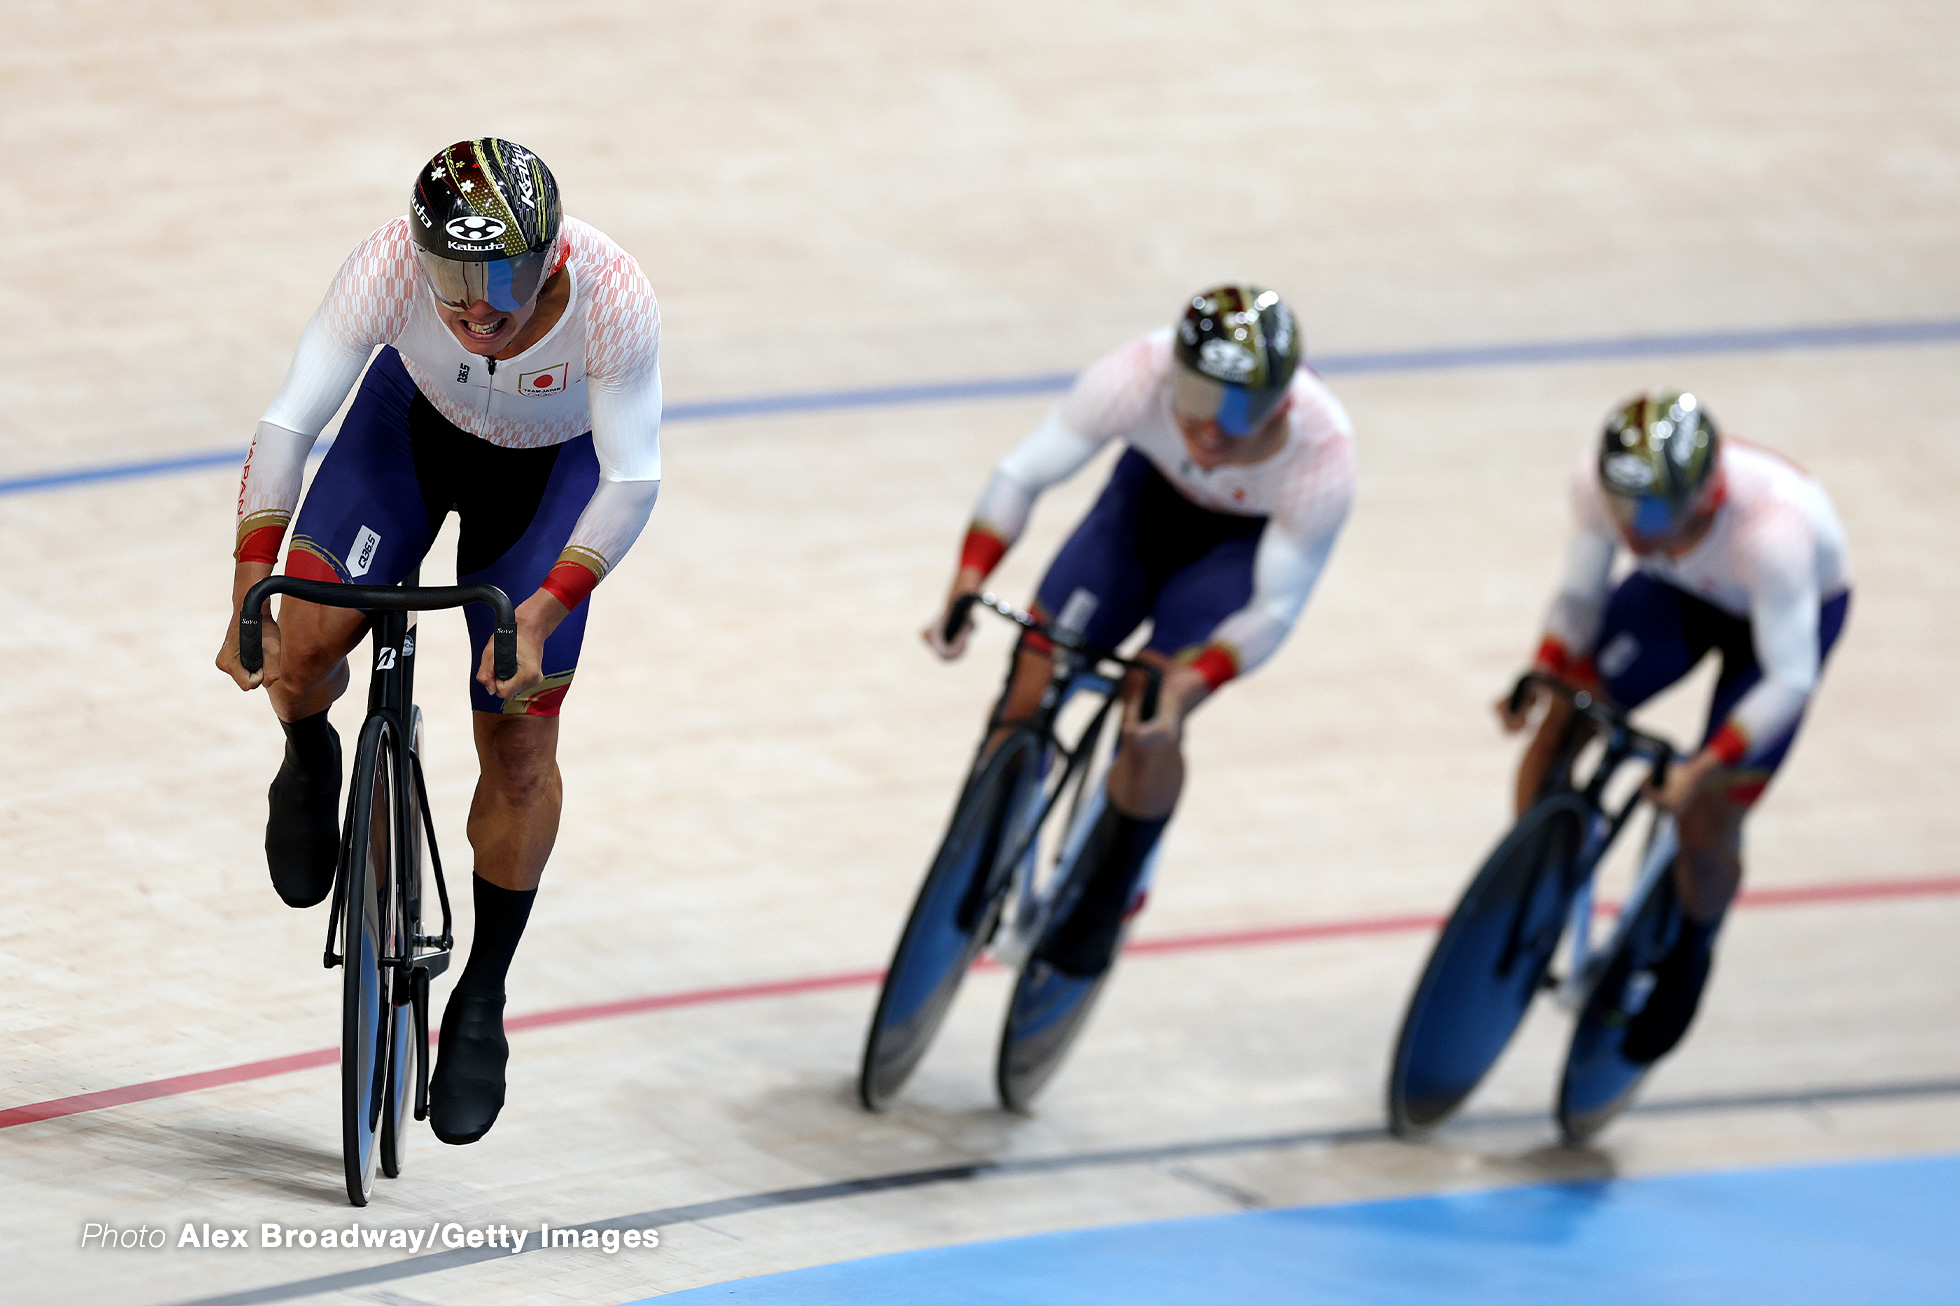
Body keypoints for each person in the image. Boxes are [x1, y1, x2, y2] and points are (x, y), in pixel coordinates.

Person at [214, 138, 663, 1145]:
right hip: (409, 432)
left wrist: (546, 605)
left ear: (549, 257)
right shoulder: (384, 266)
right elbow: (290, 420)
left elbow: (631, 477)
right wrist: (250, 580)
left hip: (547, 480)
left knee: (516, 740)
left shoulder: (613, 294)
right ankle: (310, 748)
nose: (473, 304)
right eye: (452, 277)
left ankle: (483, 993)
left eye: (499, 275)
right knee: (301, 639)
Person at [926, 284, 1356, 977]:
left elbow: (1274, 609)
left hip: (1233, 556)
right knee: (1032, 672)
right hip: (1141, 512)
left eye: (1239, 410)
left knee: (1147, 714)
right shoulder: (1135, 374)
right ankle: (983, 848)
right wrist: (970, 577)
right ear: (1172, 376)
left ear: (1283, 400)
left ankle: (1115, 882)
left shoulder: (1322, 453)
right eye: (1197, 397)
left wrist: (1192, 681)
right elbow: (1023, 473)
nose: (1211, 429)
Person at [1498, 391, 1850, 1062]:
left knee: (1708, 816)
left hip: (1779, 627)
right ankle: (1529, 883)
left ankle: (1692, 952)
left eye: (1652, 510)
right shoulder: (1604, 488)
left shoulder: (1771, 533)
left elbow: (1790, 681)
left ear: (1705, 495)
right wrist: (1544, 668)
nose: (1633, 527)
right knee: (1563, 717)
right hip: (1680, 588)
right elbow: (1579, 596)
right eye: (1623, 506)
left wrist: (1701, 767)